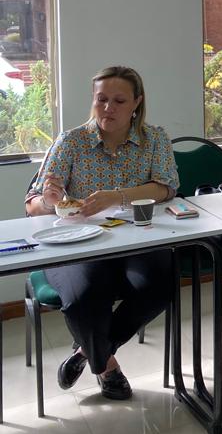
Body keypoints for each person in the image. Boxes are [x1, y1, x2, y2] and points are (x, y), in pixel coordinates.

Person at [25, 66, 179, 401]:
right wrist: (51, 201)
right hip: (76, 241)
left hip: (135, 237)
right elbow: (33, 205)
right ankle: (107, 365)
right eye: (101, 99)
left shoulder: (154, 139)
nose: (108, 108)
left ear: (137, 103)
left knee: (158, 286)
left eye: (119, 101)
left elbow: (167, 188)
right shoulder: (71, 141)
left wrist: (118, 196)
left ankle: (87, 351)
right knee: (84, 297)